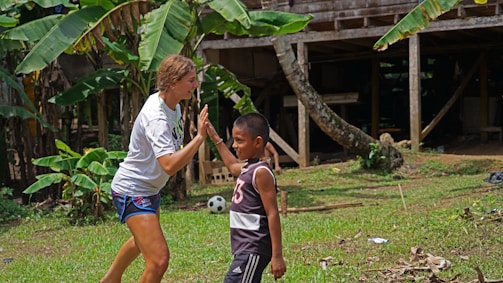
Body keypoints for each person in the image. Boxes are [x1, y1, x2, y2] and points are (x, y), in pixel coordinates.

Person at [100, 54, 208, 283]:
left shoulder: (172, 105)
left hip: (148, 189)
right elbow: (169, 165)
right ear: (172, 83)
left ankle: (109, 280)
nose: (196, 84)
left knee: (142, 243)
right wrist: (199, 138)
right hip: (133, 189)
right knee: (159, 260)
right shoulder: (156, 117)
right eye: (190, 80)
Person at [207, 112, 286, 282]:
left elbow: (272, 213)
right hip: (244, 249)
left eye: (240, 141)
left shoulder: (261, 172)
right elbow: (230, 165)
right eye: (234, 140)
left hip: (253, 248)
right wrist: (215, 138)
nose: (235, 145)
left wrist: (277, 255)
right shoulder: (247, 167)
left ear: (257, 142)